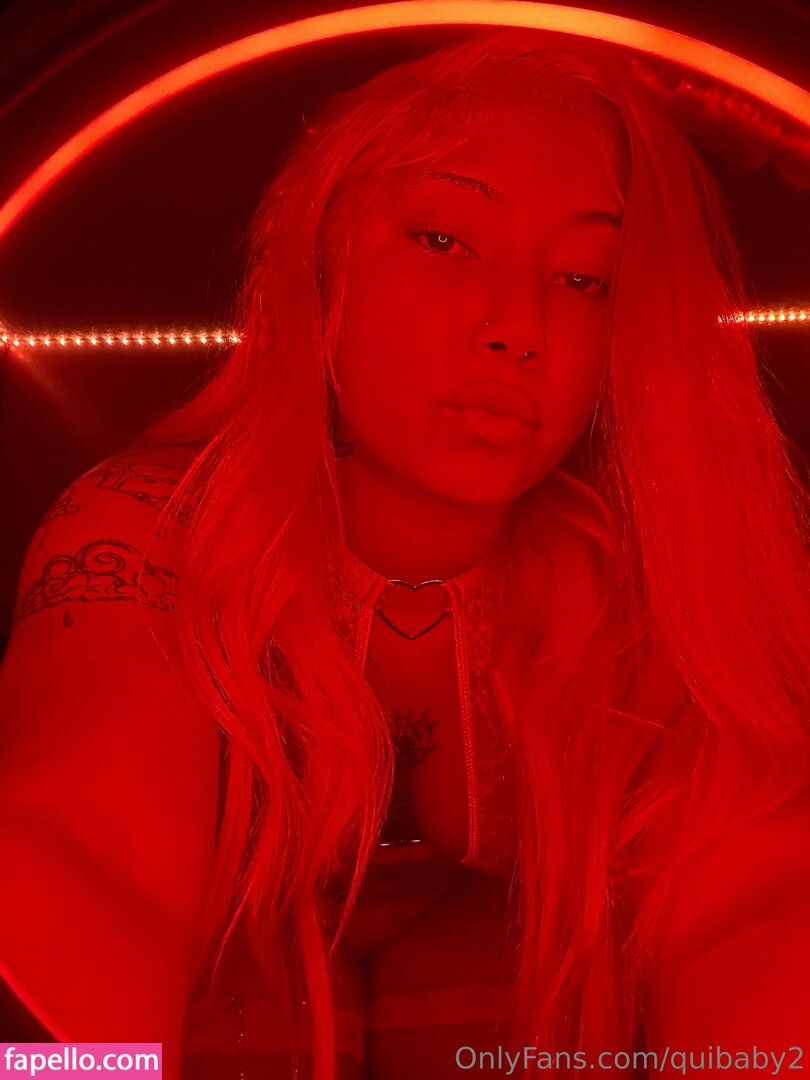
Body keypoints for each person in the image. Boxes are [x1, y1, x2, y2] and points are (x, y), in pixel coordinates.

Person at [1, 26, 809, 1080]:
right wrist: (71, 1074)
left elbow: (752, 901)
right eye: (444, 240)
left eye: (585, 278)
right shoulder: (155, 532)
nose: (517, 325)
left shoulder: (660, 575)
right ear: (321, 254)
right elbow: (88, 850)